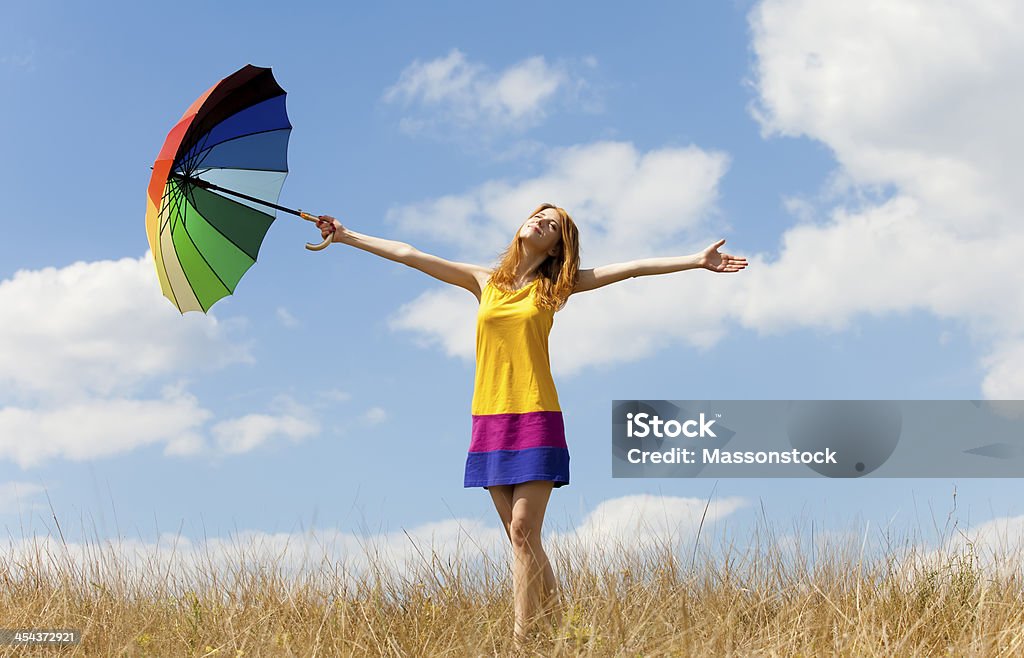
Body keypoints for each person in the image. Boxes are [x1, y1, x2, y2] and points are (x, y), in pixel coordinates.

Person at [314, 205, 748, 645]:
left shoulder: (556, 287)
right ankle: (568, 635)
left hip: (537, 415)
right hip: (489, 418)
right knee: (521, 540)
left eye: (552, 224)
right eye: (538, 215)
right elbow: (409, 253)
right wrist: (347, 235)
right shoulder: (484, 282)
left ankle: (522, 642)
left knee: (523, 530)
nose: (540, 221)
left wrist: (694, 260)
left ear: (558, 246)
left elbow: (630, 269)